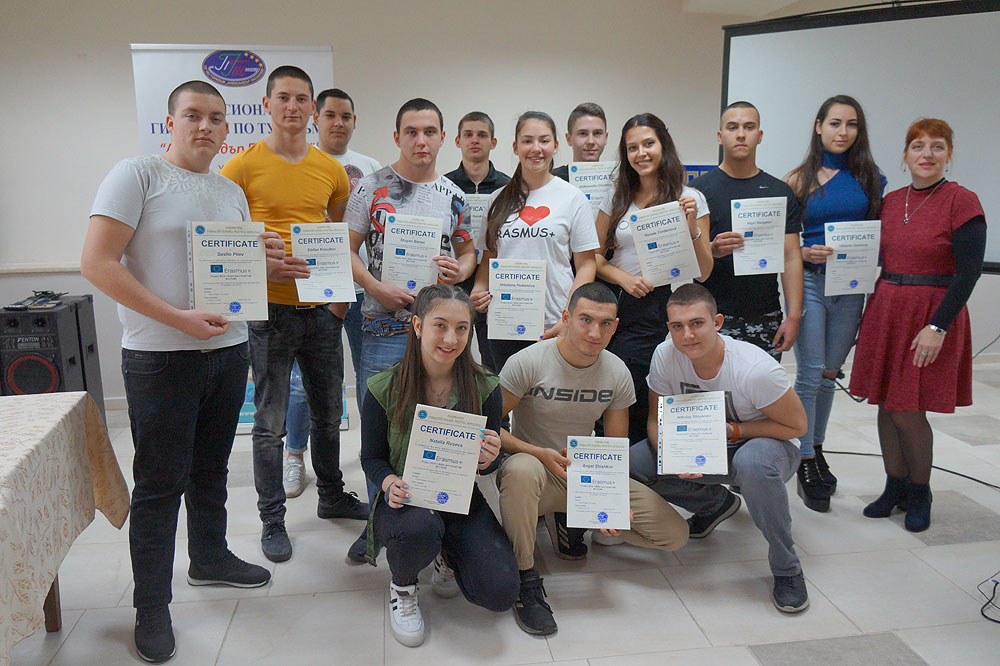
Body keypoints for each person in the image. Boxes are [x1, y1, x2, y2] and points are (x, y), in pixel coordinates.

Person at [82, 80, 289, 663]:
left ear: (227, 129)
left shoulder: (229, 191)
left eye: (216, 118)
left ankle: (209, 556)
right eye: (193, 115)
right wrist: (177, 318)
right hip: (160, 358)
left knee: (210, 469)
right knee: (159, 485)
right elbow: (97, 262)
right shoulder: (137, 174)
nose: (205, 126)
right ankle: (151, 607)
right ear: (170, 122)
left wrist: (265, 262)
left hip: (228, 350)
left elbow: (228, 270)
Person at [221, 66, 367, 565]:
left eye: (301, 99)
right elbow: (223, 240)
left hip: (322, 312)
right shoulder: (240, 168)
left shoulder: (331, 170)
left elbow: (338, 237)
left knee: (328, 415)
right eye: (283, 97)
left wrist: (339, 301)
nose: (292, 107)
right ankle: (272, 518)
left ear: (312, 108)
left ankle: (331, 495)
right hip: (269, 312)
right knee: (270, 424)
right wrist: (258, 259)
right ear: (266, 104)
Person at [496, 282, 689, 636]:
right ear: (566, 318)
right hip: (533, 470)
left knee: (675, 535)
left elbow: (615, 447)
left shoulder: (617, 372)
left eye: (605, 323)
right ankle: (524, 577)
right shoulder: (527, 361)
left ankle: (570, 518)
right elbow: (490, 429)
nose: (594, 332)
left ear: (616, 326)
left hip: (585, 474)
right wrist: (537, 453)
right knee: (521, 471)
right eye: (585, 320)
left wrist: (609, 501)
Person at [346, 97, 476, 562]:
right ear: (397, 136)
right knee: (382, 430)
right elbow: (347, 250)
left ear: (443, 138)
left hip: (438, 335)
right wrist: (375, 288)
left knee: (435, 424)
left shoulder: (453, 195)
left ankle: (435, 523)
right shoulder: (371, 187)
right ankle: (377, 526)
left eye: (430, 131)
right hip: (383, 329)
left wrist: (460, 270)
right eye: (412, 131)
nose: (421, 140)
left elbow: (468, 252)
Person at [632, 283, 809, 613]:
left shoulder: (755, 369)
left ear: (717, 322)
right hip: (702, 445)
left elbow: (797, 427)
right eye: (677, 326)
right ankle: (714, 504)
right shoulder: (665, 355)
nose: (687, 335)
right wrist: (671, 456)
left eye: (697, 323)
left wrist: (736, 430)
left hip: (766, 448)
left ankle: (787, 568)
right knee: (635, 464)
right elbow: (657, 420)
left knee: (753, 462)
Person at [361, 284, 519, 647]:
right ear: (418, 325)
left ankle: (446, 554)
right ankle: (403, 588)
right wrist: (388, 483)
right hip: (406, 500)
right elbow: (371, 458)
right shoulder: (383, 388)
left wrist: (490, 458)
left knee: (499, 592)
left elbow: (487, 467)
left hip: (459, 499)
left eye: (462, 328)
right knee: (418, 528)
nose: (451, 339)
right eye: (440, 325)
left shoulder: (485, 386)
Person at [849, 118, 986, 532]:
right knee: (885, 404)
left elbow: (968, 273)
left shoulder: (962, 201)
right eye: (918, 146)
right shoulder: (890, 202)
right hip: (887, 308)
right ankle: (894, 486)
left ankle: (920, 491)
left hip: (931, 315)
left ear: (949, 155)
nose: (927, 154)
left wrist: (937, 327)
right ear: (906, 156)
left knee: (908, 409)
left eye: (937, 146)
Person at [783, 95, 886, 513]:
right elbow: (781, 243)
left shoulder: (870, 178)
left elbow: (880, 232)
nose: (843, 132)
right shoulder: (798, 179)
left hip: (851, 286)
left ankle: (817, 448)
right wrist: (803, 252)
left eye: (852, 124)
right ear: (819, 126)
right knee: (809, 374)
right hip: (810, 282)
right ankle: (804, 458)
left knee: (828, 373)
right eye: (835, 123)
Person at [282, 88, 382, 499]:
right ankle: (293, 455)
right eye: (330, 115)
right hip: (314, 290)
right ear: (315, 118)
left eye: (346, 116)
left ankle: (371, 453)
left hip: (362, 290)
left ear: (354, 121)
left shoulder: (370, 168)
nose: (338, 123)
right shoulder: (300, 163)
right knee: (301, 384)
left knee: (369, 378)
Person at [595, 113, 714, 445]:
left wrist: (691, 227)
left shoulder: (689, 197)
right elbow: (593, 257)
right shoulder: (616, 196)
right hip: (627, 304)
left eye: (648, 144)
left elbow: (704, 272)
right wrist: (623, 277)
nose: (641, 153)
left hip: (671, 308)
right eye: (632, 147)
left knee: (665, 397)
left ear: (664, 146)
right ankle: (626, 464)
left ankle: (664, 465)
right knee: (624, 395)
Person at [472, 111, 599, 372]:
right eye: (527, 141)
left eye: (544, 140)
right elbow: (488, 259)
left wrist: (570, 315)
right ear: (515, 147)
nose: (536, 148)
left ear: (556, 145)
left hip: (555, 322)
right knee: (506, 394)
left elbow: (587, 265)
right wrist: (478, 289)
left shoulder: (573, 198)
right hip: (505, 322)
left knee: (551, 396)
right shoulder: (497, 200)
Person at [691, 101, 804, 360]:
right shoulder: (698, 191)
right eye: (732, 127)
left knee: (762, 387)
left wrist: (794, 316)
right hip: (712, 316)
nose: (741, 134)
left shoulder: (779, 191)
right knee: (712, 385)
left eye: (749, 127)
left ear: (760, 136)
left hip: (764, 316)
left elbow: (791, 257)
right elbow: (687, 258)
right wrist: (712, 249)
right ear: (720, 136)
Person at [444, 111, 511, 371]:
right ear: (457, 141)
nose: (475, 140)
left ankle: (494, 400)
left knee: (493, 361)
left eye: (482, 135)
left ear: (493, 142)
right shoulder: (444, 186)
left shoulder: (508, 188)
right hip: (452, 278)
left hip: (493, 283)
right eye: (468, 135)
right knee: (450, 353)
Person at [552, 102, 609, 181]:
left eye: (597, 133)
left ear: (606, 138)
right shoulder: (552, 180)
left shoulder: (617, 180)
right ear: (569, 139)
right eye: (583, 134)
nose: (591, 141)